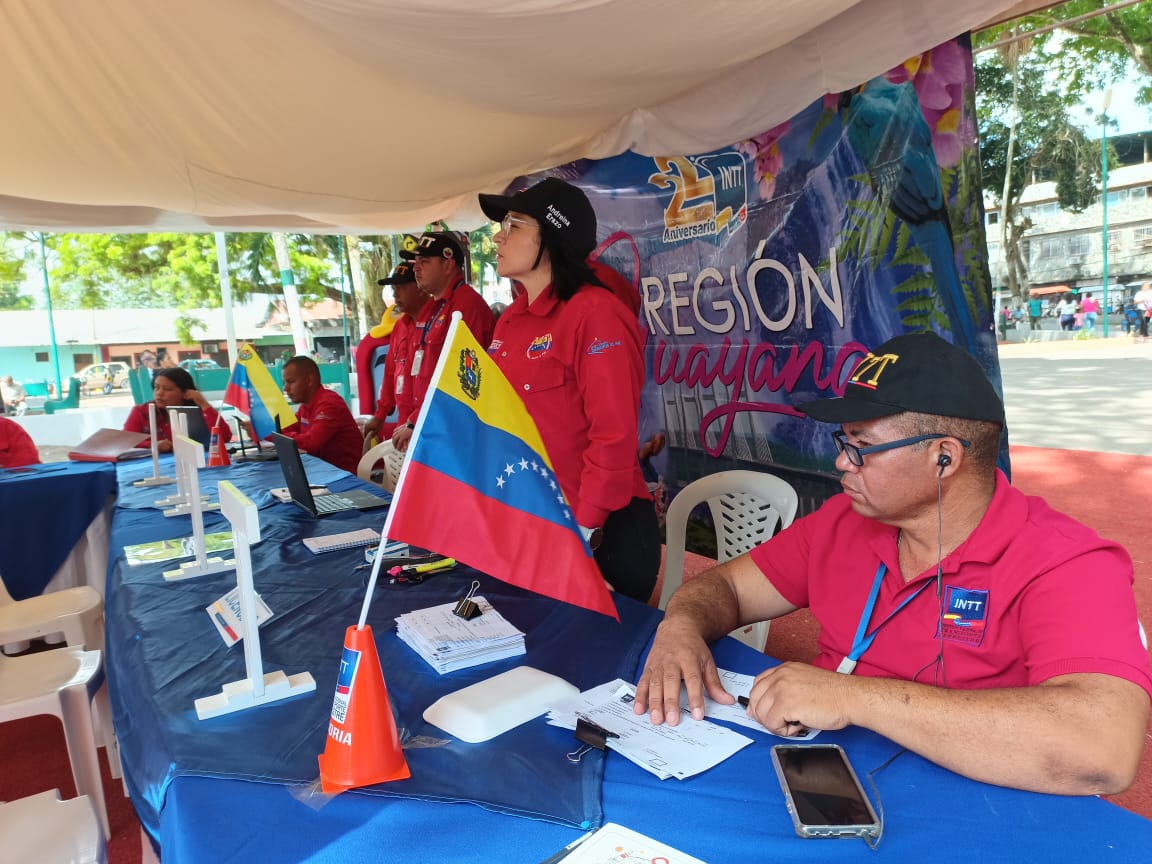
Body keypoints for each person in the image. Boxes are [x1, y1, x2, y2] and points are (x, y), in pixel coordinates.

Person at [633, 331, 1151, 796]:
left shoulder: (1067, 562)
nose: (841, 461)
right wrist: (680, 624)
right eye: (844, 442)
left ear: (943, 457)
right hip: (824, 781)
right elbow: (729, 588)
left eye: (862, 446)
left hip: (979, 809)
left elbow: (1102, 747)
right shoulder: (844, 521)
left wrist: (854, 698)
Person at [478, 177, 660, 602]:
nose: (499, 236)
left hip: (597, 533)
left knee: (589, 664)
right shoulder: (510, 321)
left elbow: (613, 439)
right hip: (532, 524)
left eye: (514, 225)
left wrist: (581, 538)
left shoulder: (596, 314)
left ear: (553, 235)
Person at [392, 231, 495, 453]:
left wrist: (416, 421)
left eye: (425, 261)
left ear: (448, 265)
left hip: (455, 430)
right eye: (416, 261)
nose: (416, 268)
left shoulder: (466, 305)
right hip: (432, 424)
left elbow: (460, 379)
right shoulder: (433, 306)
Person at [269, 355, 362, 474]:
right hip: (323, 471)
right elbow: (288, 427)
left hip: (346, 476)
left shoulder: (329, 404)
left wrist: (270, 434)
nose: (285, 389)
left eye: (291, 382)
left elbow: (310, 443)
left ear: (309, 380)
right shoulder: (306, 406)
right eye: (285, 383)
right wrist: (265, 429)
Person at [363, 262, 424, 443]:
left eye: (402, 287)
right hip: (403, 425)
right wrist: (380, 415)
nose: (395, 293)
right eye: (393, 288)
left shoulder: (435, 324)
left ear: (420, 287)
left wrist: (413, 424)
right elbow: (390, 374)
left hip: (425, 426)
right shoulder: (399, 327)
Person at [123, 367, 230, 453]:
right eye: (156, 387)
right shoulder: (141, 411)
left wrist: (204, 404)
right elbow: (126, 441)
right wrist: (152, 445)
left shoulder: (197, 411)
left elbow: (224, 437)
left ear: (186, 392)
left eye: (167, 389)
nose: (159, 393)